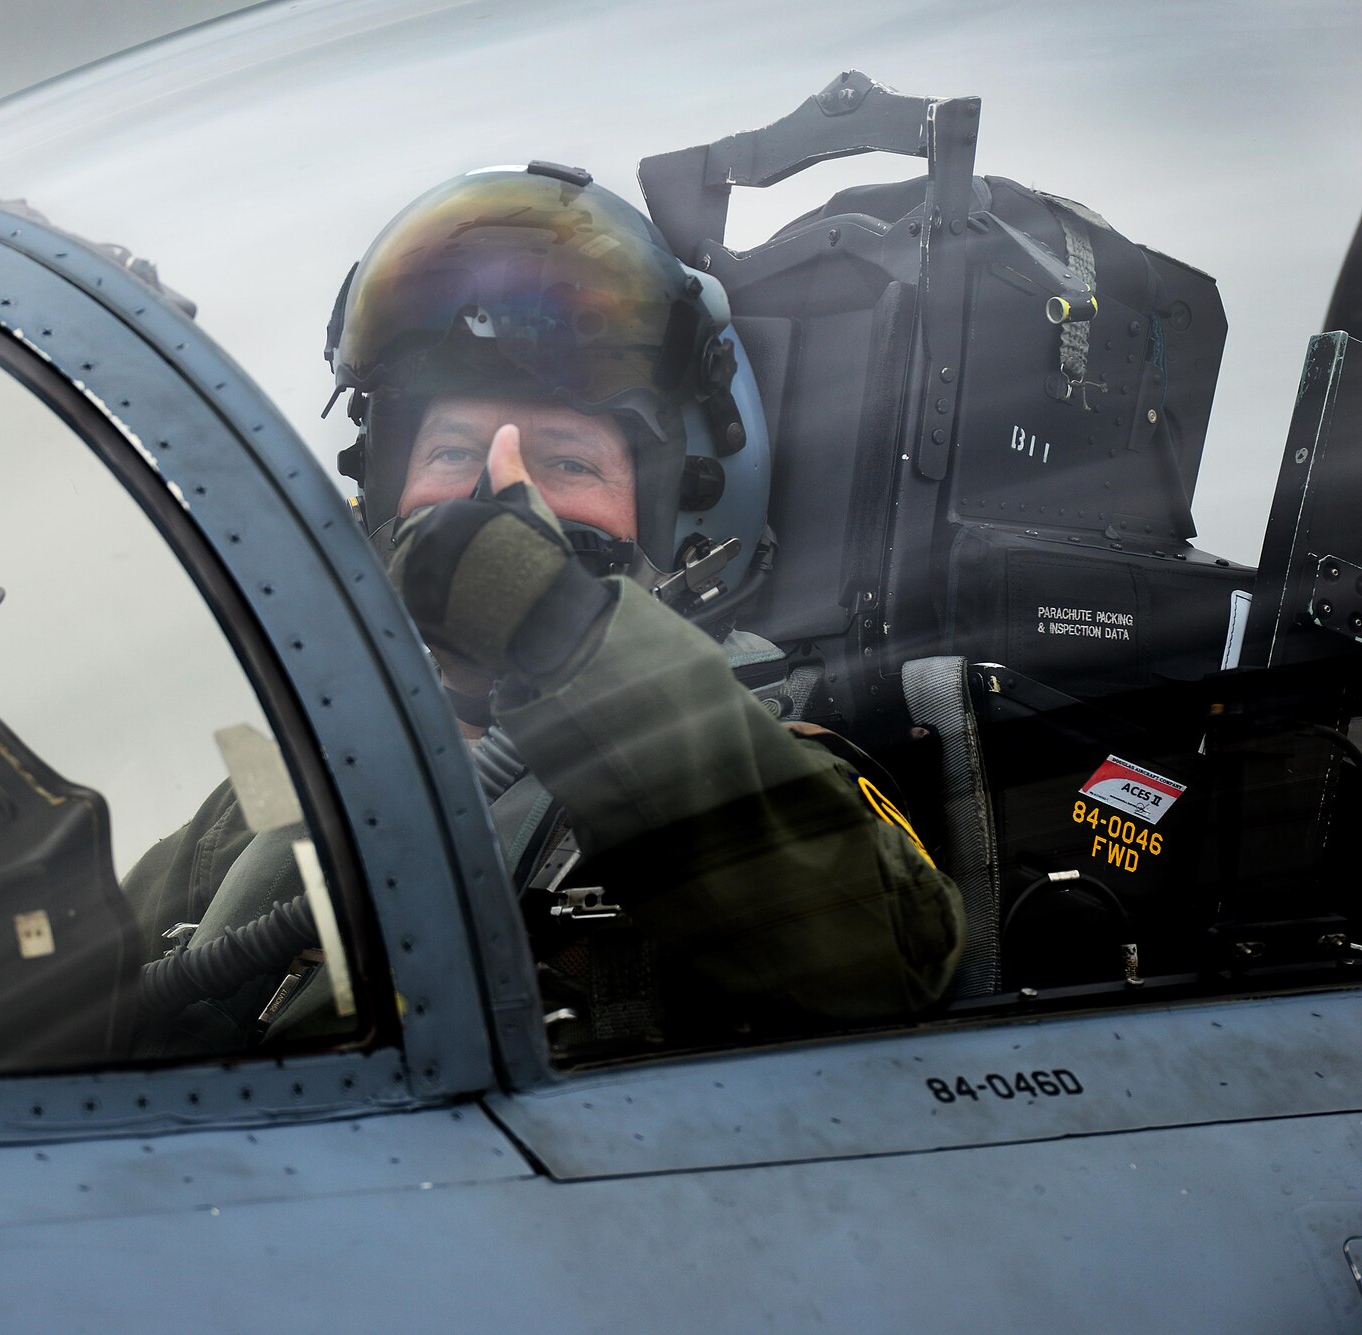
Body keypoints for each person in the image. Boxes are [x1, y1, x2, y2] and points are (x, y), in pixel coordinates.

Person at [128, 164, 962, 1054]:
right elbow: (51, 1006)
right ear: (381, 496)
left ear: (683, 508)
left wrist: (565, 633)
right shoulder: (272, 804)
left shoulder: (771, 752)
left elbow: (887, 959)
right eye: (454, 450)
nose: (499, 489)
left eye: (566, 462)